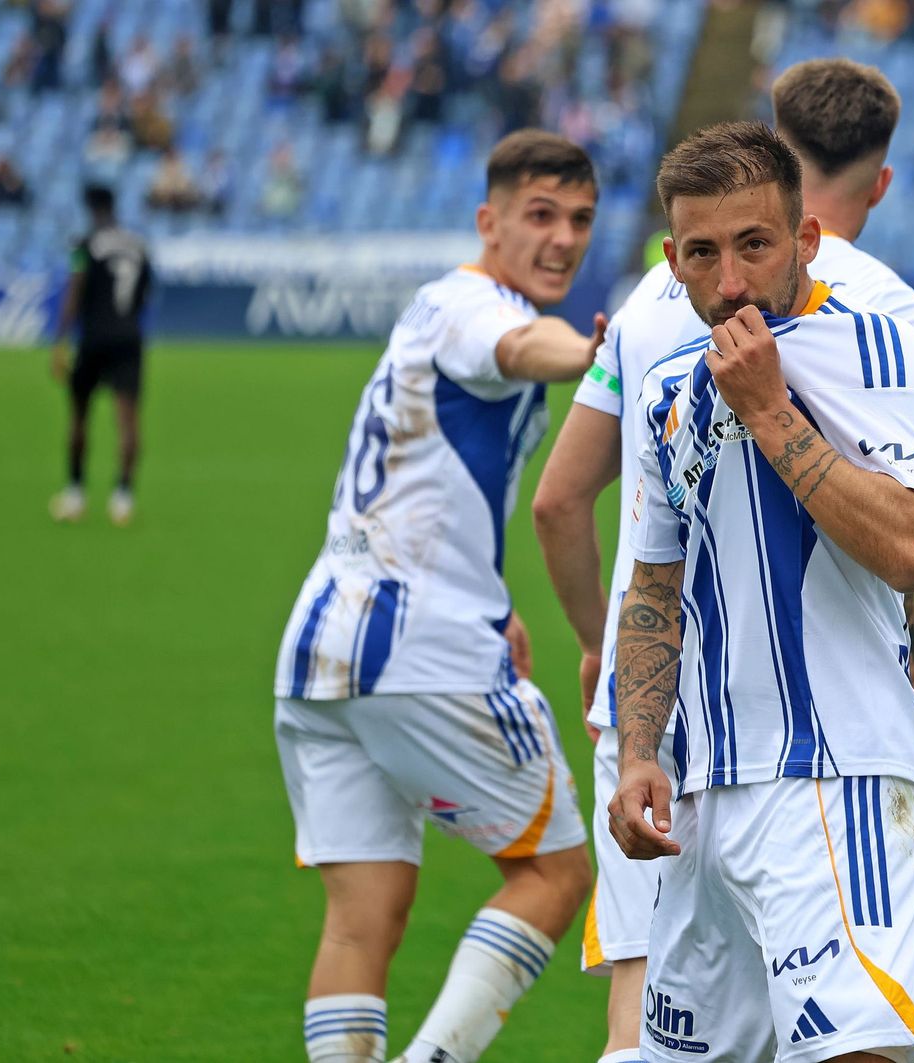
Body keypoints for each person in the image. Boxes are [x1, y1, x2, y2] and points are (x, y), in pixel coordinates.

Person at [531, 59, 914, 1063]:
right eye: (703, 254)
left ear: (806, 237)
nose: (732, 280)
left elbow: (911, 547)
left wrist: (770, 412)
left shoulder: (877, 345)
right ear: (673, 260)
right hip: (700, 793)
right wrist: (636, 752)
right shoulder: (669, 388)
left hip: (837, 779)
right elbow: (653, 587)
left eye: (755, 244)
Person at [272, 130, 607, 1063]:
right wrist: (594, 352)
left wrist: (497, 599)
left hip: (322, 646)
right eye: (540, 215)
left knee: (364, 914)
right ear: (489, 221)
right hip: (419, 642)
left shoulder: (432, 309)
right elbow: (520, 345)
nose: (563, 238)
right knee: (553, 872)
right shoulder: (472, 306)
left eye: (580, 219)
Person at [49, 185, 151, 526]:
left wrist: (60, 342)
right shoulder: (138, 245)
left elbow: (74, 290)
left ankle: (75, 493)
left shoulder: (83, 245)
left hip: (94, 339)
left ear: (92, 209)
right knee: (128, 419)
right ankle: (123, 497)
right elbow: (144, 294)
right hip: (129, 338)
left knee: (79, 415)